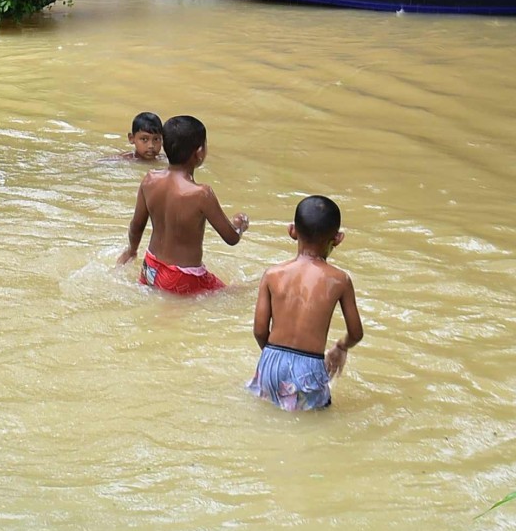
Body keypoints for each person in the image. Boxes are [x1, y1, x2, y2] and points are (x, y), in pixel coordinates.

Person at [248, 195, 363, 411]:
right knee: (317, 421)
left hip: (270, 362)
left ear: (292, 231)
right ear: (338, 239)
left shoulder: (272, 274)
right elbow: (356, 332)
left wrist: (276, 358)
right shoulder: (340, 279)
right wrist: (340, 347)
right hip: (308, 367)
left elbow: (259, 330)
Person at [118, 114, 247, 295]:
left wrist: (131, 251)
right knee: (242, 293)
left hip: (150, 267)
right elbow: (231, 238)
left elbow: (136, 225)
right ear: (200, 152)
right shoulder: (202, 194)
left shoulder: (150, 179)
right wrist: (240, 223)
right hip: (183, 277)